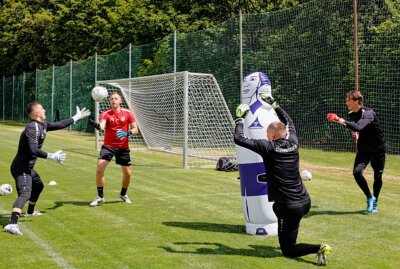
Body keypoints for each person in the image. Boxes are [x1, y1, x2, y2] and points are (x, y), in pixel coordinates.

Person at [234, 93, 332, 266]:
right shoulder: (293, 142)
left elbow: (239, 138)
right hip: (304, 201)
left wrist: (239, 119)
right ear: (285, 133)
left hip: (289, 206)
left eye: (266, 133)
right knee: (279, 212)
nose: (265, 135)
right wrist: (275, 105)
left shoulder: (268, 147)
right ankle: (287, 230)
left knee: (288, 250)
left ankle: (319, 247)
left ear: (271, 136)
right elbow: (290, 122)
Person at [4, 102, 91, 235]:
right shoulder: (32, 128)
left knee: (38, 185)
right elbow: (33, 150)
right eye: (42, 108)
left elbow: (59, 124)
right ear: (36, 113)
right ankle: (12, 224)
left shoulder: (42, 125)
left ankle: (30, 212)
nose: (44, 110)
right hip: (21, 168)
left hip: (28, 167)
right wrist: (52, 156)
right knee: (25, 193)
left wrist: (76, 117)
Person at [327, 90, 385, 213]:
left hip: (378, 149)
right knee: (357, 172)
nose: (346, 102)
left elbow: (359, 126)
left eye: (348, 100)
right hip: (364, 148)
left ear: (356, 101)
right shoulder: (351, 113)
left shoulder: (369, 113)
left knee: (378, 176)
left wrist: (339, 120)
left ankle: (375, 202)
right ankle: (370, 198)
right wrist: (355, 134)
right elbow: (355, 128)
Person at [89, 92, 138, 206]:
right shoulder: (106, 114)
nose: (113, 100)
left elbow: (135, 129)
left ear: (120, 101)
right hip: (109, 146)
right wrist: (97, 125)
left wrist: (127, 133)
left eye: (116, 99)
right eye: (111, 99)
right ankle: (100, 197)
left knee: (128, 173)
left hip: (123, 147)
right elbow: (102, 126)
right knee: (99, 169)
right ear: (109, 101)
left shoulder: (128, 113)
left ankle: (123, 194)